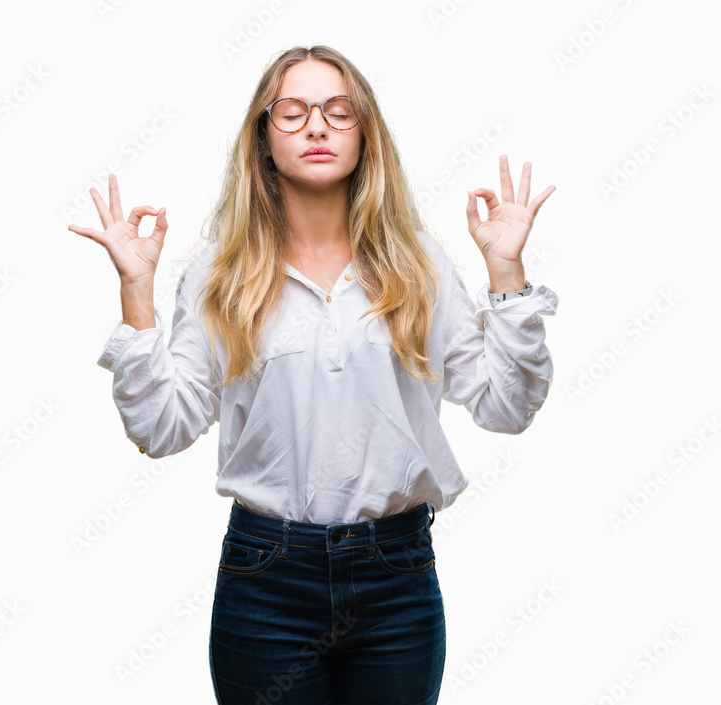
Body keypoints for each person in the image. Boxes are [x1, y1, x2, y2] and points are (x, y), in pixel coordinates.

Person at [68, 44, 558, 705]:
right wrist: (137, 289)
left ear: (365, 136)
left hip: (397, 579)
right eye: (293, 111)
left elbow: (508, 405)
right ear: (263, 140)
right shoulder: (220, 274)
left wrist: (505, 271)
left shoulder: (421, 267)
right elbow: (161, 427)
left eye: (338, 111)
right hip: (265, 578)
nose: (318, 126)